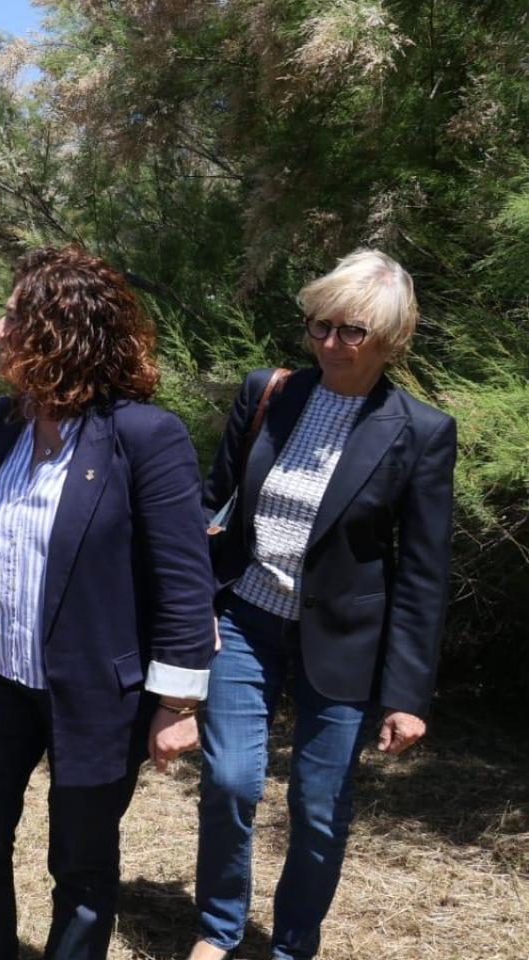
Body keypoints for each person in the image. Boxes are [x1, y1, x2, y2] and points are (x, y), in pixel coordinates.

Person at [0, 245, 215, 960]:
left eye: (12, 318)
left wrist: (177, 704)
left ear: (59, 332)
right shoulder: (2, 423)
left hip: (97, 692)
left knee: (82, 867)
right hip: (0, 681)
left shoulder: (144, 436)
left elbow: (185, 579)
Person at [189, 250, 456, 960]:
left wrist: (407, 695)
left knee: (316, 808)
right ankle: (217, 930)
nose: (330, 343)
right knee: (229, 780)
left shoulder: (420, 432)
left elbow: (424, 574)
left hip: (344, 642)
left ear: (393, 338)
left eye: (352, 331)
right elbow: (213, 505)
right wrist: (191, 611)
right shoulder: (269, 395)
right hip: (244, 618)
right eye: (319, 326)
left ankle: (292, 945)